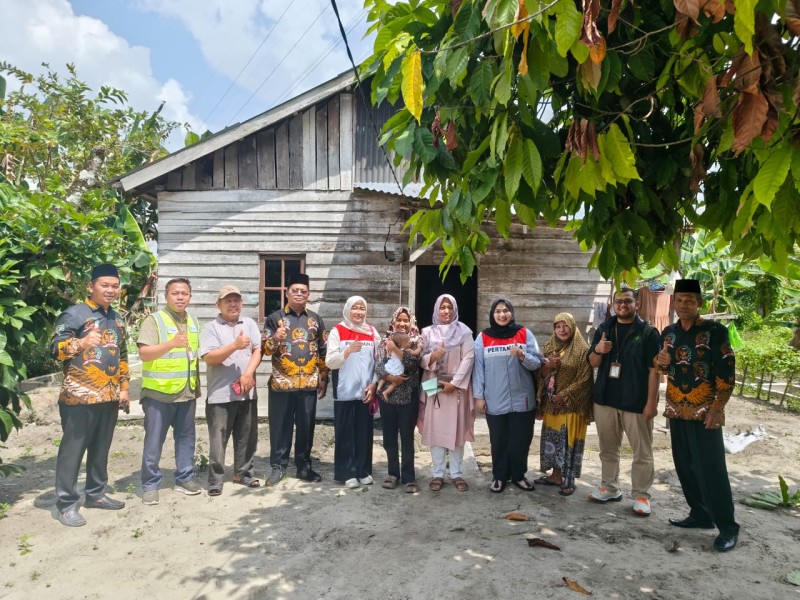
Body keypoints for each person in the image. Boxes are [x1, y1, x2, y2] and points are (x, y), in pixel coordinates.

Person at [656, 279, 739, 552]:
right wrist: (661, 363)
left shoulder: (715, 331)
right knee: (685, 466)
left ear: (700, 303)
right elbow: (661, 368)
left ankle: (727, 527)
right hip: (676, 411)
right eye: (679, 300)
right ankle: (700, 514)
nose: (683, 304)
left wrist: (718, 408)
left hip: (705, 412)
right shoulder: (668, 333)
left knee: (711, 470)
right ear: (673, 303)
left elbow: (727, 372)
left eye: (690, 300)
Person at [49, 264, 130, 527]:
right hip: (79, 397)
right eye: (104, 285)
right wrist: (80, 343)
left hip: (108, 396)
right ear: (91, 286)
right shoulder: (75, 314)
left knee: (100, 449)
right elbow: (54, 348)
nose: (110, 290)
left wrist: (125, 388)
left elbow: (124, 356)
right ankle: (66, 503)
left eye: (114, 286)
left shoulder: (117, 318)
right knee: (73, 450)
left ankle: (95, 494)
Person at [587, 287, 661, 516]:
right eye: (618, 301)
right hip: (605, 400)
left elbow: (654, 370)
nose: (623, 305)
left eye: (628, 301)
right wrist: (599, 349)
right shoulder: (604, 328)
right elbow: (593, 363)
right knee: (608, 449)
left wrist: (652, 403)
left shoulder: (648, 333)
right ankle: (609, 487)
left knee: (642, 452)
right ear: (612, 304)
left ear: (636, 304)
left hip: (635, 401)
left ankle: (641, 495)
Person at [138, 277, 202, 505]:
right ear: (166, 296)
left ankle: (184, 478)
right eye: (175, 293)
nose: (180, 297)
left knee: (186, 439)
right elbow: (144, 354)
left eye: (184, 293)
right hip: (159, 394)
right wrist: (171, 344)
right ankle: (150, 485)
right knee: (154, 441)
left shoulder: (193, 321)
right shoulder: (154, 321)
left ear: (190, 296)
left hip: (186, 391)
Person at [262, 273, 329, 484]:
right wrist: (275, 338)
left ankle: (303, 466)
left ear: (308, 294)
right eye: (295, 290)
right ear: (287, 292)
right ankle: (278, 467)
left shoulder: (316, 320)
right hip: (282, 384)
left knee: (306, 427)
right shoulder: (274, 318)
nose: (299, 294)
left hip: (308, 384)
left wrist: (324, 378)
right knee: (280, 426)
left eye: (303, 291)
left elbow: (322, 351)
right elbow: (265, 350)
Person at [472, 298, 544, 493]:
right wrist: (479, 396)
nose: (502, 314)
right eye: (498, 311)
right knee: (499, 439)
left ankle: (519, 476)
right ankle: (499, 476)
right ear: (492, 315)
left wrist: (522, 355)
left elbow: (537, 363)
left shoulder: (524, 333)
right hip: (495, 399)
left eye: (506, 311)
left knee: (521, 439)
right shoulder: (483, 338)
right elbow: (478, 369)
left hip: (522, 399)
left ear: (511, 312)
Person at [200, 285, 263, 496]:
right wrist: (234, 346)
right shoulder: (211, 327)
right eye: (228, 300)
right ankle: (215, 480)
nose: (233, 304)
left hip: (246, 391)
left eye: (236, 300)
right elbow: (209, 357)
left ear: (242, 303)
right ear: (218, 304)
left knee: (247, 435)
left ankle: (243, 474)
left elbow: (257, 350)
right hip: (220, 393)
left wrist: (248, 374)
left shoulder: (250, 323)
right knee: (218, 439)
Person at [419, 294, 475, 492]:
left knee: (458, 430)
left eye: (449, 307)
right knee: (436, 430)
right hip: (433, 385)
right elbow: (420, 358)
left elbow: (469, 357)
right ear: (436, 309)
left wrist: (456, 383)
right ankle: (438, 473)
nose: (446, 311)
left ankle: (457, 473)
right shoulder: (426, 333)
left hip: (456, 387)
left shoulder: (465, 331)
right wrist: (432, 357)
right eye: (442, 307)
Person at [325, 296, 381, 488]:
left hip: (366, 392)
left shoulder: (373, 333)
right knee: (345, 432)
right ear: (347, 309)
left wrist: (374, 384)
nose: (358, 312)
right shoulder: (337, 331)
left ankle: (363, 470)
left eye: (362, 308)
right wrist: (347, 351)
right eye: (355, 308)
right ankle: (347, 472)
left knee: (364, 432)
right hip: (345, 391)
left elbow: (379, 363)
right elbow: (330, 362)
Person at [536, 312, 593, 497]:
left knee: (568, 442)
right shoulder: (549, 347)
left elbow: (585, 380)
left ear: (573, 326)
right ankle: (555, 476)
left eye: (565, 326)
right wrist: (549, 367)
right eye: (558, 326)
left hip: (572, 406)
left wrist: (565, 394)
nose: (562, 330)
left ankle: (569, 480)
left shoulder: (582, 350)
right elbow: (540, 376)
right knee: (553, 441)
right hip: (552, 405)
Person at [374, 306, 422, 493]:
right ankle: (393, 473)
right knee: (389, 438)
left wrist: (395, 349)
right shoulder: (383, 341)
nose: (402, 323)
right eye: (399, 320)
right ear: (393, 322)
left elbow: (411, 366)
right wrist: (389, 377)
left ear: (411, 323)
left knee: (407, 437)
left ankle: (409, 477)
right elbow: (377, 365)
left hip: (408, 397)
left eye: (406, 320)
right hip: (387, 398)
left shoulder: (417, 341)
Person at [376, 331, 422, 400]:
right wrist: (420, 347)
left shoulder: (390, 348)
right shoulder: (407, 350)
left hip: (391, 366)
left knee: (383, 378)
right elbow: (415, 352)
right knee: (394, 383)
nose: (410, 342)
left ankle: (379, 387)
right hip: (397, 369)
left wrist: (394, 348)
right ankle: (386, 392)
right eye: (408, 341)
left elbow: (413, 366)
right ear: (400, 344)